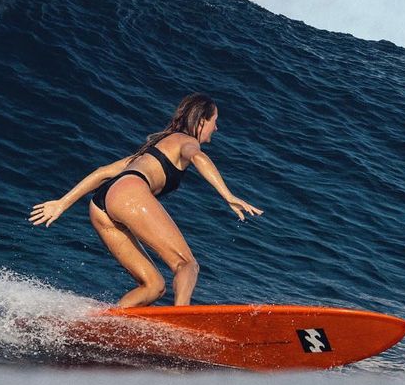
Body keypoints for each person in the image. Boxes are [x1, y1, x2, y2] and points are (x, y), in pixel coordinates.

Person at [29, 93, 262, 307]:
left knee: (154, 286)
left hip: (100, 205)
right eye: (215, 121)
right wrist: (228, 195)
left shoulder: (153, 148)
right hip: (129, 193)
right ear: (201, 121)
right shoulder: (186, 141)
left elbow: (103, 173)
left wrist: (62, 203)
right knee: (187, 265)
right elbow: (198, 157)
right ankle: (182, 319)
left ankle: (110, 324)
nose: (216, 128)